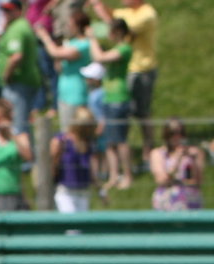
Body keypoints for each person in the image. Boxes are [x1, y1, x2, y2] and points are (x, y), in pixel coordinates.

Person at [89, 0, 156, 165]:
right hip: (130, 71)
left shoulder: (147, 14)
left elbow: (127, 29)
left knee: (142, 113)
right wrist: (97, 5)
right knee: (119, 128)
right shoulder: (126, 12)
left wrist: (95, 35)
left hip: (143, 69)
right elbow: (112, 16)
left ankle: (148, 151)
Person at [89, 17, 132, 192]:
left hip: (119, 98)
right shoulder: (116, 48)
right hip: (108, 98)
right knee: (109, 142)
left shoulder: (125, 48)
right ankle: (114, 176)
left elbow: (99, 57)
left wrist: (92, 39)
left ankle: (127, 176)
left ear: (119, 32)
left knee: (120, 140)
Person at [35, 10, 92, 128]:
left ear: (78, 26)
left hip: (76, 92)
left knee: (75, 129)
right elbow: (59, 66)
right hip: (64, 90)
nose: (68, 27)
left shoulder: (84, 44)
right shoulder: (72, 42)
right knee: (65, 129)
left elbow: (55, 53)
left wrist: (45, 37)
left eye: (71, 24)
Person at [0, 0, 41, 136]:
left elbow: (16, 56)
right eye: (4, 10)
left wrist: (6, 75)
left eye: (9, 10)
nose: (6, 13)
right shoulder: (18, 26)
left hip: (18, 83)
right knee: (21, 123)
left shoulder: (18, 28)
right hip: (21, 82)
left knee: (18, 125)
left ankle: (23, 150)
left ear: (19, 11)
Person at [148, 118, 202, 211]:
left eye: (181, 133)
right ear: (166, 135)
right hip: (167, 199)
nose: (177, 137)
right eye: (173, 133)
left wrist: (192, 160)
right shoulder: (157, 153)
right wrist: (177, 160)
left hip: (190, 199)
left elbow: (198, 181)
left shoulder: (194, 153)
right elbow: (162, 180)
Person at [51, 108, 96, 213]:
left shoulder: (88, 143)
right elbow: (51, 165)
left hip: (83, 192)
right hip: (65, 192)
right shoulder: (61, 141)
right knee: (70, 223)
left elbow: (90, 170)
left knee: (82, 223)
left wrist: (100, 190)